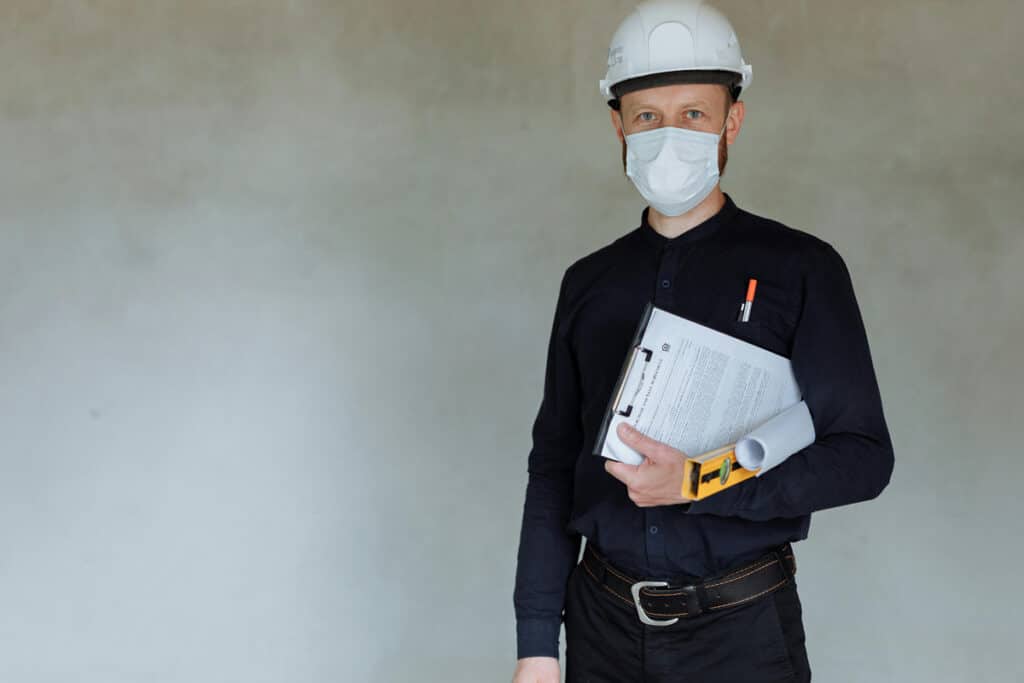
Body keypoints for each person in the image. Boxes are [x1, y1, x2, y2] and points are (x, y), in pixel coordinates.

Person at [510, 1, 895, 682]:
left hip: (742, 631)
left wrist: (698, 482)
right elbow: (552, 468)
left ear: (732, 121)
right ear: (618, 126)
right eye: (648, 116)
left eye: (694, 114)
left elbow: (862, 456)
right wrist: (538, 644)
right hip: (601, 625)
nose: (669, 136)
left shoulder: (802, 269)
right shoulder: (589, 283)